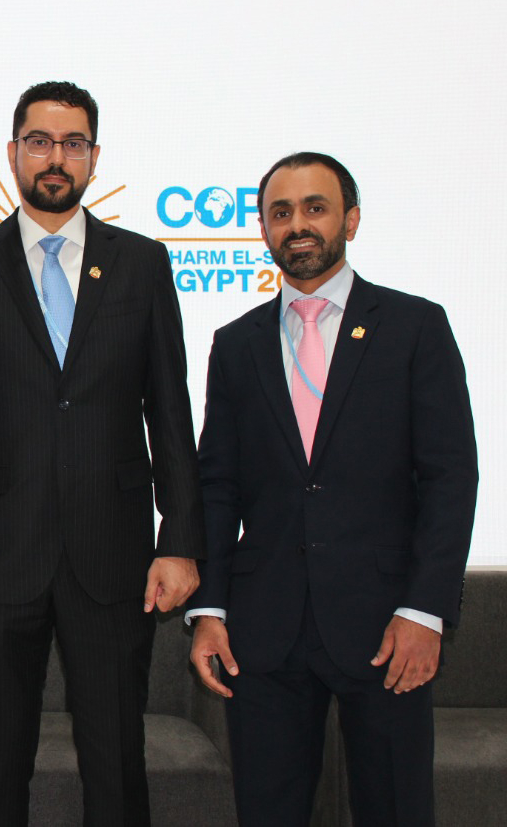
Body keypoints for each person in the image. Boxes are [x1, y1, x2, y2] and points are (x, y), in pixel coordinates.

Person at [0, 81, 206, 827]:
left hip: (113, 555)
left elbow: (169, 412)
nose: (56, 157)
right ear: (13, 152)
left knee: (117, 765)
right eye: (40, 142)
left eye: (72, 143)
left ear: (94, 157)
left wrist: (180, 540)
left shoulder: (142, 263)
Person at [186, 152, 478, 827]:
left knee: (397, 809)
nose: (298, 225)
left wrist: (426, 610)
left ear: (350, 219)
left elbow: (450, 477)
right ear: (263, 229)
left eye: (315, 208)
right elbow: (217, 487)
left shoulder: (415, 327)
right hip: (263, 630)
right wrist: (210, 608)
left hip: (388, 626)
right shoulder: (236, 344)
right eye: (280, 212)